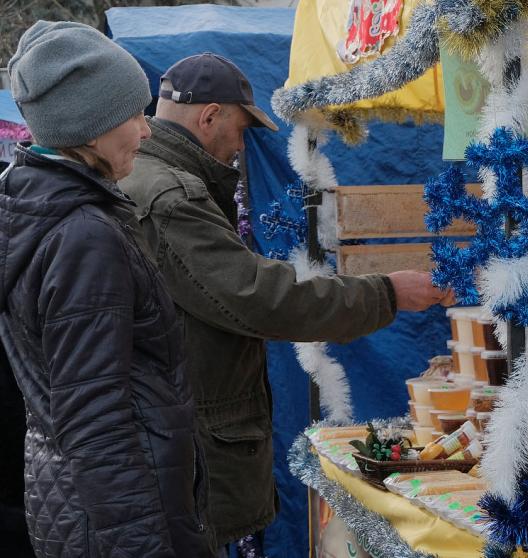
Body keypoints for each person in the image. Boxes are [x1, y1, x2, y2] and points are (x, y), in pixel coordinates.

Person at [118, 53, 452, 552]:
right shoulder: (171, 195)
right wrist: (387, 293)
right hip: (185, 443)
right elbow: (260, 298)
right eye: (240, 128)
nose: (241, 145)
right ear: (209, 117)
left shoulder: (150, 179)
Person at [0, 22, 211, 557]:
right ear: (90, 127)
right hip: (118, 518)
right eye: (134, 115)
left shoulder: (37, 208)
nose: (146, 131)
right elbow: (96, 421)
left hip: (82, 506)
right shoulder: (82, 237)